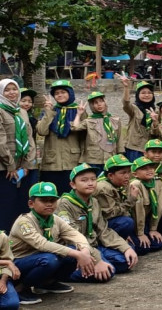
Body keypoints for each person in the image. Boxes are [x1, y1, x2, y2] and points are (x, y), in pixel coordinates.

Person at [10, 182, 96, 305]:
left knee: (73, 253)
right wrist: (77, 254)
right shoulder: (24, 222)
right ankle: (21, 288)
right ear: (31, 204)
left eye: (52, 200)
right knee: (51, 259)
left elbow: (75, 235)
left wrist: (85, 252)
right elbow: (42, 244)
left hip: (40, 258)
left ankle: (46, 283)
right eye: (44, 200)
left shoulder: (55, 219)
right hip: (19, 262)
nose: (49, 204)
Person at [57, 164, 138, 282]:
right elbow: (72, 238)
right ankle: (63, 275)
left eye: (93, 179)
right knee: (108, 272)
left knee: (126, 260)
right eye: (84, 180)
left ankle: (98, 265)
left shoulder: (93, 201)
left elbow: (104, 230)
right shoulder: (64, 204)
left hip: (93, 246)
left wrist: (125, 248)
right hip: (75, 249)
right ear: (73, 184)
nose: (90, 183)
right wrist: (98, 260)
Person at [37, 80, 85, 195]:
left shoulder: (79, 111)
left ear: (70, 93)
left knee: (71, 196)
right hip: (51, 164)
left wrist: (79, 115)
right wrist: (49, 112)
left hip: (72, 162)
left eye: (63, 92)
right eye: (56, 93)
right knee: (51, 197)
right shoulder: (50, 111)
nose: (59, 95)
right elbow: (41, 131)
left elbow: (84, 136)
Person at [0, 79, 36, 233]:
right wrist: (11, 165)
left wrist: (27, 164)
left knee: (22, 204)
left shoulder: (22, 111)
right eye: (7, 90)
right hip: (5, 168)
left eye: (14, 89)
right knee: (6, 205)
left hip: (23, 168)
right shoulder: (1, 110)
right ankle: (5, 238)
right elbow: (1, 141)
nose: (12, 93)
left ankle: (20, 237)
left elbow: (30, 138)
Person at [93, 154, 139, 241]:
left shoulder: (119, 184)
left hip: (112, 221)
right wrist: (131, 199)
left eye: (128, 172)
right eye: (123, 173)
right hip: (101, 226)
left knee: (146, 245)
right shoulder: (104, 188)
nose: (127, 176)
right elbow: (110, 214)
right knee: (127, 222)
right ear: (110, 175)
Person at [72, 91, 121, 169]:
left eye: (101, 101)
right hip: (93, 159)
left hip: (111, 158)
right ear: (92, 106)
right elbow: (75, 128)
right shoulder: (89, 121)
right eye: (95, 102)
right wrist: (79, 114)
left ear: (105, 102)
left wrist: (120, 155)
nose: (99, 104)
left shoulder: (115, 120)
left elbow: (119, 140)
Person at [128, 157, 162, 254]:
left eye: (151, 168)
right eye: (144, 169)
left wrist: (153, 229)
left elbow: (160, 207)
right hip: (134, 223)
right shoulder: (135, 184)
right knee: (142, 248)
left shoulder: (158, 182)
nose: (149, 170)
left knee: (157, 244)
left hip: (146, 221)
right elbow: (138, 211)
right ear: (135, 174)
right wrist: (140, 233)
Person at [120, 77, 157, 162]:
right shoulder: (134, 109)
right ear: (137, 95)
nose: (146, 95)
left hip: (150, 148)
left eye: (149, 93)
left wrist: (155, 121)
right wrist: (126, 88)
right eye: (143, 93)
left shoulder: (156, 110)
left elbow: (157, 131)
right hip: (134, 148)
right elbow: (126, 104)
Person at [0, 229, 20, 308]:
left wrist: (3, 281)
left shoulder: (2, 237)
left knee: (11, 304)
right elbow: (7, 262)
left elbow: (7, 260)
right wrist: (6, 262)